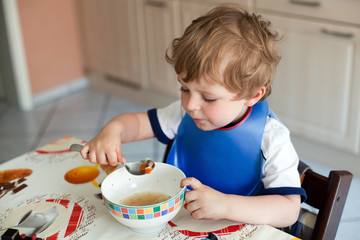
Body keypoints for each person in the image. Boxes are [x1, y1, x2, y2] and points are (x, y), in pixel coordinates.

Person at [80, 3, 306, 228]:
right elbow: (138, 124)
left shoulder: (272, 138)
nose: (191, 105)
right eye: (185, 89)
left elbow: (288, 210)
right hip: (186, 225)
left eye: (208, 98)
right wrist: (112, 131)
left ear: (252, 95)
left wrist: (224, 205)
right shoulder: (183, 115)